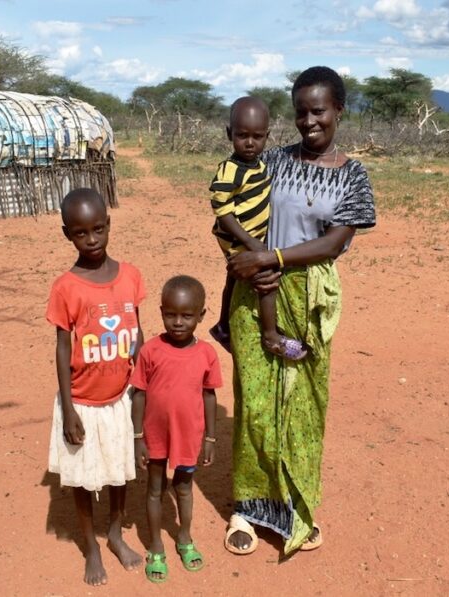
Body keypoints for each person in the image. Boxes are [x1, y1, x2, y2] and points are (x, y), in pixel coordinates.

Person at [223, 66, 376, 556]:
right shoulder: (266, 160)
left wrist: (274, 257)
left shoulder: (353, 175)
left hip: (309, 297)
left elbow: (335, 241)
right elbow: (225, 216)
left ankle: (294, 507)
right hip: (256, 292)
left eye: (319, 111)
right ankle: (247, 508)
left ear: (338, 111)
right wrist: (248, 266)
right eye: (301, 112)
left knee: (305, 406)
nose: (309, 122)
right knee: (255, 403)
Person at [45, 188, 145, 586]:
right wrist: (68, 408)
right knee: (84, 478)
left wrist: (141, 384)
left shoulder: (131, 276)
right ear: (67, 233)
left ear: (109, 224)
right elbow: (61, 347)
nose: (92, 240)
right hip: (83, 402)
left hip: (121, 397)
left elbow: (137, 331)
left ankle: (117, 534)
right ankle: (91, 544)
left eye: (99, 229)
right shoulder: (66, 287)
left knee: (119, 473)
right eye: (81, 233)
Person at [130, 275, 222, 583]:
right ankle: (156, 545)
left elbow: (209, 394)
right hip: (155, 434)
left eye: (186, 316)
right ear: (161, 311)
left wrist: (209, 437)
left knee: (183, 487)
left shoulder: (207, 354)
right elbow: (139, 394)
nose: (178, 322)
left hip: (188, 436)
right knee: (154, 489)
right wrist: (138, 437)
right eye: (170, 314)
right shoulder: (150, 352)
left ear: (201, 316)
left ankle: (184, 537)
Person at [208, 96, 308, 360]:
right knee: (267, 276)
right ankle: (271, 335)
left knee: (233, 278)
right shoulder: (230, 170)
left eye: (257, 136)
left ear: (267, 136)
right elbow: (222, 210)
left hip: (247, 236)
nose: (250, 143)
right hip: (236, 237)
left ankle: (223, 326)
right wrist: (252, 244)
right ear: (230, 134)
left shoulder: (260, 165)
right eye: (242, 135)